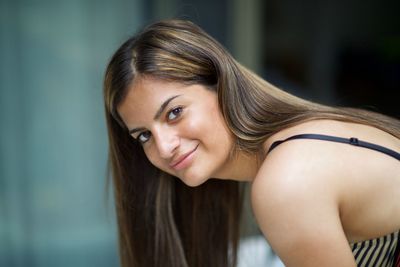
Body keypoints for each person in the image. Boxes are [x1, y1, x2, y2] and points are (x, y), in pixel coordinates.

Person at [103, 19, 400, 267]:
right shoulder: (306, 139)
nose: (164, 147)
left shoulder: (287, 181)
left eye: (174, 113)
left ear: (220, 85)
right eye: (144, 136)